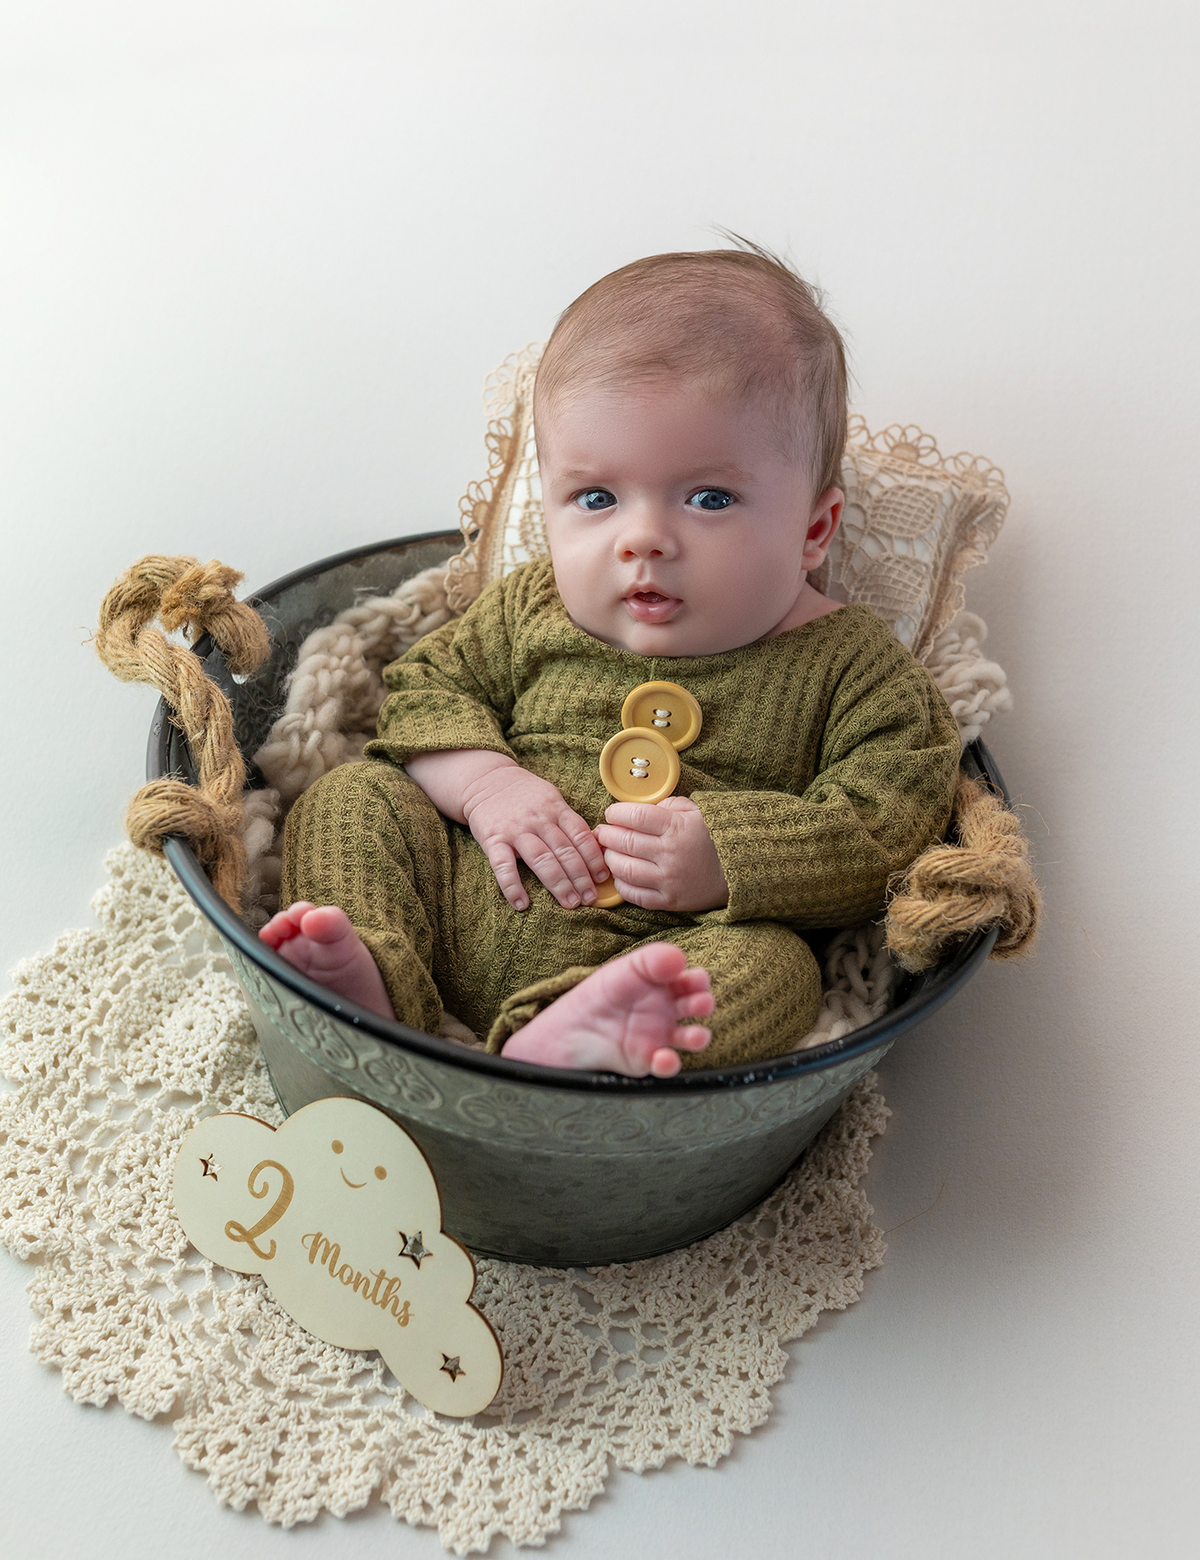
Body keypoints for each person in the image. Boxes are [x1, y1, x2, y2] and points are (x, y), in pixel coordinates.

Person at [260, 246, 961, 1077]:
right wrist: (487, 787)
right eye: (596, 498)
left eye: (709, 498)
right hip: (466, 896)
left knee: (778, 970)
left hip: (670, 946)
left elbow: (891, 824)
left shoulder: (855, 670)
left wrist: (728, 855)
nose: (643, 538)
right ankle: (374, 975)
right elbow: (422, 690)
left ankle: (590, 1039)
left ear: (813, 530)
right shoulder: (532, 607)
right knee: (351, 797)